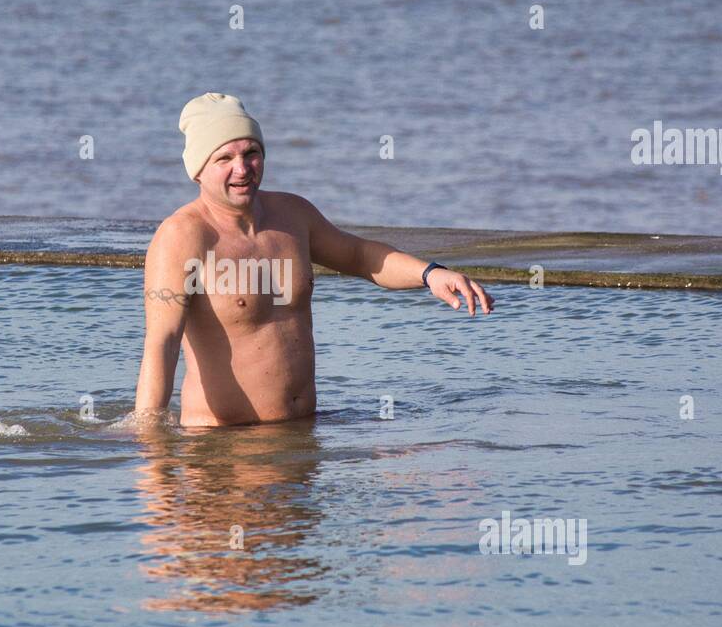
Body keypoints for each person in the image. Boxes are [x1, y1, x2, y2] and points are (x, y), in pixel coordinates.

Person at [134, 92, 493, 427]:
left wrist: (430, 274)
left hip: (301, 436)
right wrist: (152, 449)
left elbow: (358, 255)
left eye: (251, 153)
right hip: (223, 447)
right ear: (197, 169)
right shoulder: (182, 237)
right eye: (224, 158)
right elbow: (162, 342)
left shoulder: (293, 215)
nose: (242, 168)